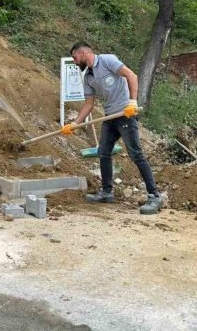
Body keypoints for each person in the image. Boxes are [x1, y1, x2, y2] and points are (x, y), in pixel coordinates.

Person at [61, 41, 163, 215]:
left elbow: (132, 76)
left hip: (125, 114)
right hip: (110, 117)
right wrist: (75, 123)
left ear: (84, 53)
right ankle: (107, 192)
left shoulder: (107, 60)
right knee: (103, 152)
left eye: (75, 57)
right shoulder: (89, 77)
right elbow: (88, 104)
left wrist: (132, 101)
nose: (75, 61)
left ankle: (155, 196)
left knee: (136, 154)